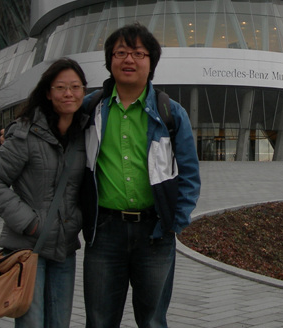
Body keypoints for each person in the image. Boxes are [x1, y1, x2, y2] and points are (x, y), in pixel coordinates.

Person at [82, 23, 200, 328]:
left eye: (138, 53)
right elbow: (50, 121)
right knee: (99, 320)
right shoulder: (91, 109)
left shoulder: (170, 113)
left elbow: (188, 173)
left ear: (151, 62)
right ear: (110, 61)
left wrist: (177, 220)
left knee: (152, 321)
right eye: (120, 53)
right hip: (104, 231)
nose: (129, 60)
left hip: (155, 233)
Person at [0, 58, 89, 328]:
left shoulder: (84, 135)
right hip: (29, 248)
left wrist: (76, 221)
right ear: (48, 92)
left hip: (64, 248)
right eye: (61, 87)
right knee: (32, 323)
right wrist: (30, 223)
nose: (69, 94)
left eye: (75, 87)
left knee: (59, 323)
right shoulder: (26, 134)